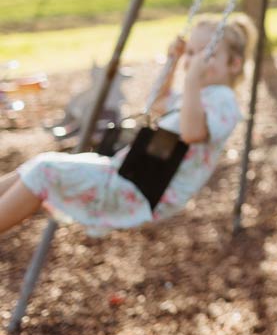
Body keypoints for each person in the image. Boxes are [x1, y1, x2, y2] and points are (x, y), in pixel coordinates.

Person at [0, 15, 256, 237]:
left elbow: (192, 133)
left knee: (44, 170)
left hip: (143, 190)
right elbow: (159, 103)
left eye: (207, 53)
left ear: (234, 64)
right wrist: (173, 62)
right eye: (191, 51)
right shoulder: (197, 96)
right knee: (36, 166)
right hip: (129, 175)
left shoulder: (224, 101)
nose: (195, 60)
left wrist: (190, 81)